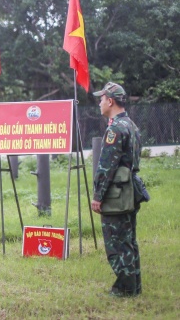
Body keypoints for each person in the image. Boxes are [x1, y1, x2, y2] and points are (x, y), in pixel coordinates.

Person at [90, 82, 142, 297]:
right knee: (129, 240)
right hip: (129, 191)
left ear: (110, 101)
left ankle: (124, 288)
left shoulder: (115, 129)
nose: (100, 103)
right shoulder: (131, 125)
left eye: (101, 99)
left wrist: (97, 197)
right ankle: (134, 286)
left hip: (116, 195)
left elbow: (106, 167)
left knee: (116, 243)